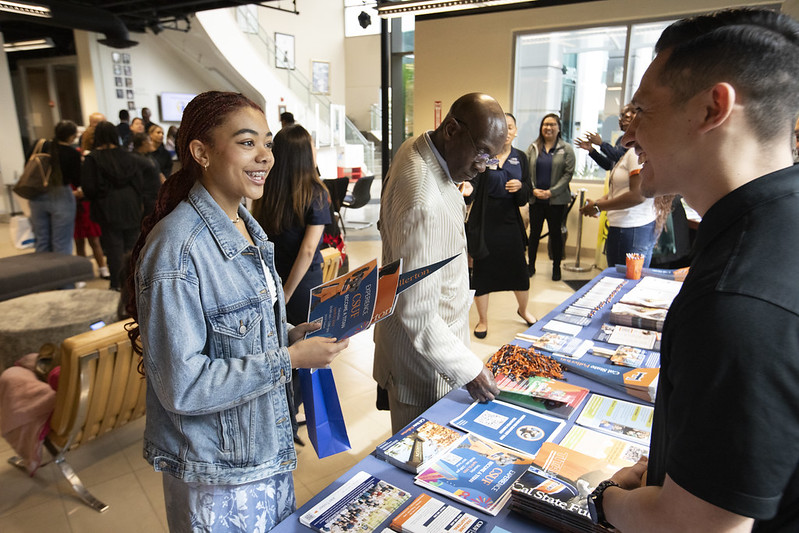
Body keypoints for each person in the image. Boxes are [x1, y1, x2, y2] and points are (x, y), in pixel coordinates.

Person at [586, 9, 799, 532]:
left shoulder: (736, 300)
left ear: (711, 108)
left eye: (642, 110)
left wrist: (607, 496)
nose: (630, 134)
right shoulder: (774, 222)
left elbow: (696, 527)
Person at [124, 91, 348, 532]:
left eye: (267, 143)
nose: (265, 156)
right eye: (248, 143)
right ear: (201, 152)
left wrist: (289, 334)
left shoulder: (245, 224)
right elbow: (182, 386)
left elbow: (239, 328)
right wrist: (288, 360)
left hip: (264, 449)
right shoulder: (177, 250)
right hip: (217, 471)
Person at [374, 92, 505, 433]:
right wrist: (469, 369)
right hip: (424, 367)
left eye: (491, 160)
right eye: (481, 155)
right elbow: (416, 311)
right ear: (450, 130)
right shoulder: (423, 199)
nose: (482, 168)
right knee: (422, 465)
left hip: (434, 346)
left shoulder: (419, 147)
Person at [250, 124, 332, 445]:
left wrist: (276, 293)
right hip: (304, 288)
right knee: (303, 360)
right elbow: (309, 250)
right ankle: (288, 424)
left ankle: (282, 422)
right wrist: (286, 294)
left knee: (280, 355)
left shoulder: (266, 189)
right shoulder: (316, 191)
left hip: (271, 283)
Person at [465, 112, 536, 338]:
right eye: (502, 127)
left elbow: (528, 191)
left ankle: (524, 310)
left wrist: (520, 188)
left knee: (519, 269)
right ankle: (483, 320)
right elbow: (472, 184)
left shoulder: (521, 158)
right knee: (483, 273)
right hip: (485, 220)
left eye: (511, 127)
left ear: (515, 132)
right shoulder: (485, 157)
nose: (506, 132)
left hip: (510, 221)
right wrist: (466, 191)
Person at [81, 121, 144, 291]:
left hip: (106, 205)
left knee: (113, 247)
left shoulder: (92, 158)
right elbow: (139, 182)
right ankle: (135, 282)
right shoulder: (128, 155)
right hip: (130, 203)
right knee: (133, 246)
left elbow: (89, 188)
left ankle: (117, 284)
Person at [578, 146, 657, 268]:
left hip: (630, 229)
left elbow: (637, 196)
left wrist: (598, 206)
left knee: (623, 282)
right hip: (630, 228)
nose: (622, 126)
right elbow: (621, 189)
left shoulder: (636, 153)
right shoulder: (631, 152)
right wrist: (599, 202)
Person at [526, 113, 575, 281]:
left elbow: (568, 174)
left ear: (559, 128)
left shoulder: (566, 149)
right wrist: (533, 190)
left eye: (553, 124)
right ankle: (530, 266)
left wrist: (551, 191)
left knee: (555, 234)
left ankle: (556, 268)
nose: (549, 127)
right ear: (541, 127)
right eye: (546, 124)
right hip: (536, 200)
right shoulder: (533, 148)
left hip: (557, 201)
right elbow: (526, 171)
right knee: (534, 234)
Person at [27, 120, 78, 256]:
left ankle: (44, 275)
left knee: (41, 240)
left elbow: (27, 165)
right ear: (71, 136)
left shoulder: (39, 145)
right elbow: (77, 179)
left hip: (36, 194)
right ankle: (62, 275)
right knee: (62, 241)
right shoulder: (72, 153)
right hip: (61, 195)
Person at [575, 104, 634, 171]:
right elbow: (608, 165)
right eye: (621, 116)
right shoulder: (621, 139)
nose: (620, 119)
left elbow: (621, 158)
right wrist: (591, 150)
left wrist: (601, 144)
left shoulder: (635, 140)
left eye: (625, 117)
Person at [130, 132, 162, 218]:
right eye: (150, 140)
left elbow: (158, 173)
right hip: (146, 198)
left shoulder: (149, 156)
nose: (151, 143)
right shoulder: (134, 158)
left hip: (155, 195)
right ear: (144, 142)